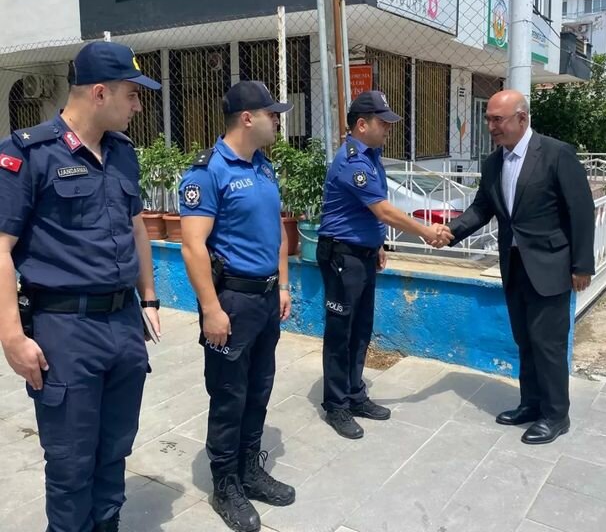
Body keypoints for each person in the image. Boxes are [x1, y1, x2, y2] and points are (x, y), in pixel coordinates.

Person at [0, 41, 162, 532]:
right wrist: (12, 337)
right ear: (99, 93)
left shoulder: (122, 152)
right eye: (132, 95)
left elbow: (136, 228)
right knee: (71, 464)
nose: (138, 106)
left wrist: (150, 297)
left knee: (114, 449)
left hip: (123, 323)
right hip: (65, 329)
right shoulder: (28, 153)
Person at [445, 89, 595, 445]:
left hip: (551, 266)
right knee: (525, 339)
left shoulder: (556, 154)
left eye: (497, 119)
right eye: (488, 119)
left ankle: (556, 415)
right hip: (514, 266)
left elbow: (581, 210)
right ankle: (531, 404)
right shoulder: (493, 163)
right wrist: (449, 232)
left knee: (548, 344)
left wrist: (582, 265)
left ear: (522, 118)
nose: (490, 126)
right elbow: (482, 208)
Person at [179, 81, 296, 532]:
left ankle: (249, 469)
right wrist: (211, 309)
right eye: (272, 114)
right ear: (247, 118)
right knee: (229, 395)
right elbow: (193, 246)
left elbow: (276, 229)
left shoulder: (264, 166)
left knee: (259, 387)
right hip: (232, 299)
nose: (277, 121)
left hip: (266, 297)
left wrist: (283, 284)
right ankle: (225, 483)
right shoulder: (208, 172)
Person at [317, 90, 453, 440]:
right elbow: (383, 210)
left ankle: (355, 394)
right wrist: (426, 231)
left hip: (361, 254)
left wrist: (376, 244)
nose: (389, 129)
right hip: (342, 257)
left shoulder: (372, 156)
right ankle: (336, 405)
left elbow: (365, 212)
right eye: (383, 123)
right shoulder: (353, 162)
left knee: (361, 329)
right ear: (362, 125)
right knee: (341, 332)